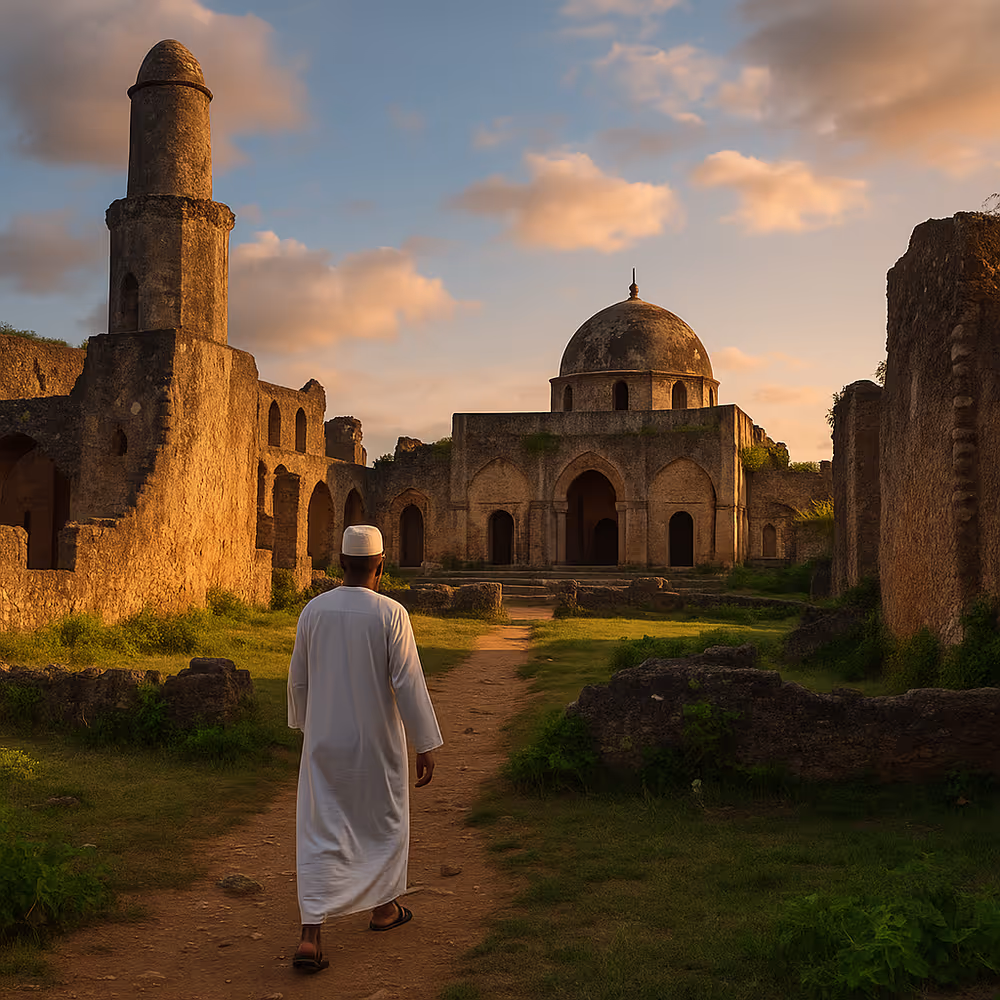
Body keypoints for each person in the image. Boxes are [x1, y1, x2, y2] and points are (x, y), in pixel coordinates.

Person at [287, 524, 443, 974]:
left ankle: (310, 936)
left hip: (325, 741)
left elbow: (299, 678)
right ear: (381, 566)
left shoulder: (313, 612)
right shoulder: (391, 613)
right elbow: (408, 683)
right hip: (376, 742)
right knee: (383, 821)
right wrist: (425, 743)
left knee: (319, 829)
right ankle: (383, 909)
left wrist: (305, 726)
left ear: (341, 565)